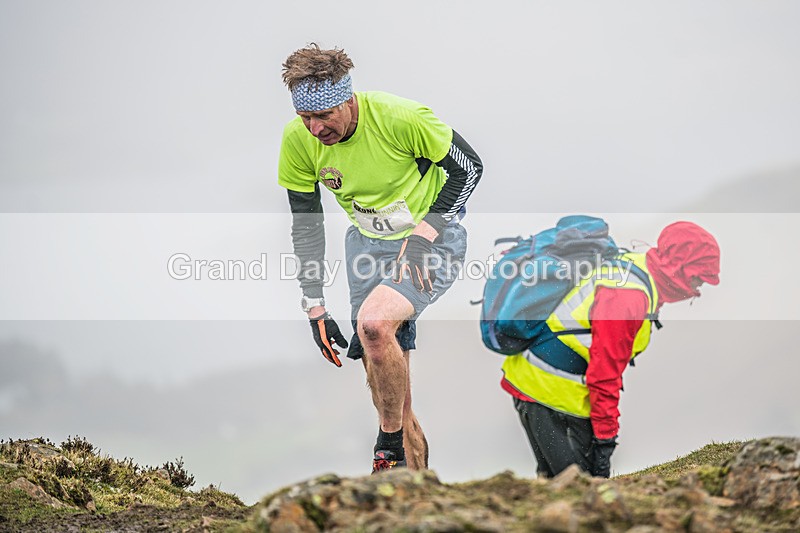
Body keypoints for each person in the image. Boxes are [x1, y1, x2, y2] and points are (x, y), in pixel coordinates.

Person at [278, 44, 482, 473]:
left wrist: (425, 234)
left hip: (431, 239)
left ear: (348, 100)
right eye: (305, 117)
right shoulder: (298, 141)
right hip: (367, 247)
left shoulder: (400, 118)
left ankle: (386, 452)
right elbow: (306, 223)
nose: (315, 128)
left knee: (373, 326)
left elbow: (470, 168)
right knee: (384, 376)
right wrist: (314, 303)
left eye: (325, 115)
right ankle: (411, 480)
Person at [500, 221, 721, 478]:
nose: (698, 288)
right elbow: (604, 374)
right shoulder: (629, 298)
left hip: (538, 383)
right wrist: (605, 437)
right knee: (579, 488)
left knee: (556, 484)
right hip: (551, 394)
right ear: (680, 267)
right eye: (698, 277)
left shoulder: (637, 268)